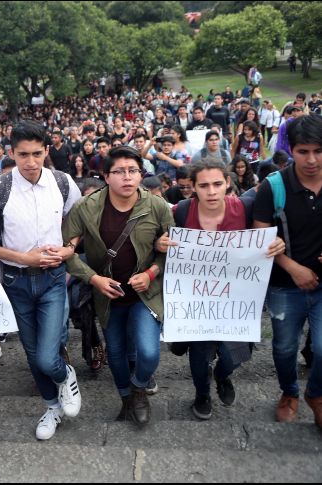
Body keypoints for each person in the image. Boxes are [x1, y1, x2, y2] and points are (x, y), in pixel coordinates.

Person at [0, 121, 82, 441]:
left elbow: (78, 221)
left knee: (48, 355)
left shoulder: (63, 182)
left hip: (53, 279)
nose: (30, 162)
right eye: (22, 155)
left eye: (36, 154)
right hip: (16, 282)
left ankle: (66, 375)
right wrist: (22, 257)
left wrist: (70, 248)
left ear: (47, 151)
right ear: (11, 153)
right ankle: (51, 407)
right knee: (32, 355)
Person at [158, 161, 284, 419]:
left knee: (236, 355)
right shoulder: (181, 212)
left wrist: (276, 242)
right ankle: (201, 393)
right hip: (197, 300)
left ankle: (222, 375)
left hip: (236, 302)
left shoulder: (246, 209)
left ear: (228, 182)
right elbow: (162, 246)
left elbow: (264, 237)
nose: (212, 191)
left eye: (217, 184)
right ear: (192, 187)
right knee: (199, 354)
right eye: (203, 185)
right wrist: (160, 243)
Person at [65, 146, 172, 427]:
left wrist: (150, 273)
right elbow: (68, 253)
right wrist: (94, 279)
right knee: (115, 353)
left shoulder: (157, 206)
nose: (127, 177)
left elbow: (171, 250)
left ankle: (138, 389)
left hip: (144, 295)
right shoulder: (86, 208)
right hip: (108, 296)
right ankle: (126, 399)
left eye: (133, 170)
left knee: (148, 352)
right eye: (119, 171)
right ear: (106, 176)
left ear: (141, 174)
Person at [253, 114, 322, 430]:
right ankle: (289, 392)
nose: (311, 159)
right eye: (303, 151)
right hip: (284, 285)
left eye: (319, 151)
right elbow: (261, 236)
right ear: (290, 150)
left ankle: (316, 394)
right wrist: (293, 268)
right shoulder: (273, 186)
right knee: (283, 347)